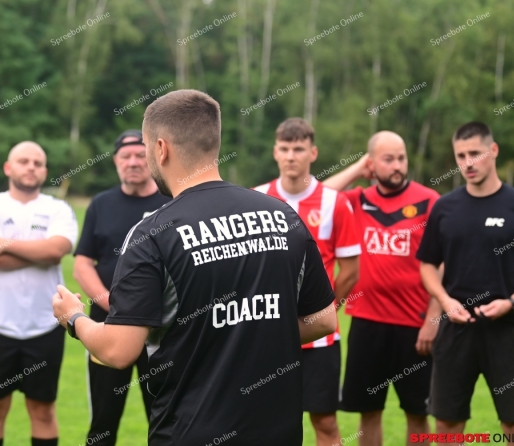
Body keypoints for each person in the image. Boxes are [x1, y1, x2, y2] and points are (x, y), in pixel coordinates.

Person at [53, 89, 337, 446]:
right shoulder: (283, 216)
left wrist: (75, 318)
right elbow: (324, 319)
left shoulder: (151, 234)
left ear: (161, 149)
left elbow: (118, 350)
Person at [417, 122, 514, 446]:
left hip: (506, 329)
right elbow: (427, 265)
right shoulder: (445, 208)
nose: (467, 162)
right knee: (446, 426)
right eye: (460, 155)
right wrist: (445, 302)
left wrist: (512, 302)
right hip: (455, 329)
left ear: (493, 151)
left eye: (475, 153)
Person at [322, 131, 441, 446]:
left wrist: (433, 319)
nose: (398, 165)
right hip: (367, 324)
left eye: (401, 158)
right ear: (372, 163)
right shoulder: (357, 200)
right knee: (368, 412)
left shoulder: (429, 201)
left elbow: (444, 265)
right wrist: (356, 171)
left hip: (415, 327)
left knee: (418, 413)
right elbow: (318, 196)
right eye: (388, 159)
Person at [253, 117, 360, 446]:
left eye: (298, 149)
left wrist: (322, 314)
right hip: (268, 335)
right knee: (266, 423)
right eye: (284, 149)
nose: (291, 156)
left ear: (313, 153)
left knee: (325, 423)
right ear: (275, 152)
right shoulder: (257, 200)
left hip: (320, 341)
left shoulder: (334, 203)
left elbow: (351, 271)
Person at [0, 141, 78, 446]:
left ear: (45, 172)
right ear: (8, 167)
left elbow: (57, 251)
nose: (31, 167)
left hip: (46, 324)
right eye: (24, 161)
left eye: (38, 163)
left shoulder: (59, 208)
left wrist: (4, 243)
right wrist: (39, 251)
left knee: (42, 411)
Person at [73, 129, 170, 445]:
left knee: (164, 415)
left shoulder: (170, 203)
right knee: (103, 420)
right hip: (107, 326)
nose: (133, 162)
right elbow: (82, 264)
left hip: (161, 330)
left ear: (153, 158)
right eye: (125, 156)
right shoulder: (101, 204)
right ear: (115, 162)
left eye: (140, 155)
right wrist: (113, 302)